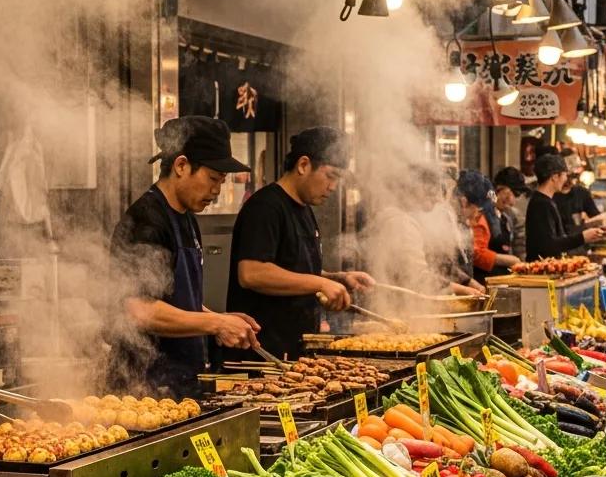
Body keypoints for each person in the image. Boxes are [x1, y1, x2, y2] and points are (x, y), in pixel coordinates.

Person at [107, 116, 260, 395]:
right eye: (213, 178)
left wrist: (220, 320)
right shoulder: (146, 220)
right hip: (142, 388)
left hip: (181, 382)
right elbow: (140, 310)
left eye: (222, 181)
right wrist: (216, 323)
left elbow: (176, 300)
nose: (217, 191)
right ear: (181, 165)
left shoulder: (186, 217)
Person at [226, 127, 373, 361]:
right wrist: (320, 282)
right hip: (262, 355)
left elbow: (296, 269)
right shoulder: (265, 208)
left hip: (296, 352)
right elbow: (252, 273)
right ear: (303, 165)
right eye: (331, 176)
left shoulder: (303, 209)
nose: (333, 187)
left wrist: (337, 278)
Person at [368, 165, 482, 297]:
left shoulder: (416, 218)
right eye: (433, 192)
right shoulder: (400, 223)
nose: (438, 199)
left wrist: (466, 281)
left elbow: (440, 261)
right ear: (416, 190)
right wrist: (461, 290)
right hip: (398, 305)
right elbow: (417, 278)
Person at [525, 154, 606, 261]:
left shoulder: (545, 201)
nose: (566, 179)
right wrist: (582, 237)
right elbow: (549, 246)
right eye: (565, 175)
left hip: (549, 267)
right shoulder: (541, 204)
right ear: (555, 177)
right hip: (541, 272)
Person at [454, 170, 518, 281]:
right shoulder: (447, 222)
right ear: (464, 202)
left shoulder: (465, 221)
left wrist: (469, 284)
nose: (478, 218)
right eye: (479, 211)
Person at [554, 150, 604, 232]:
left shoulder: (581, 192)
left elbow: (596, 217)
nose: (572, 179)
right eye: (569, 175)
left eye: (575, 175)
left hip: (578, 241)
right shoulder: (550, 194)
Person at [493, 166, 528, 259]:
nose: (513, 201)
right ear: (500, 188)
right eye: (515, 193)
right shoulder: (479, 213)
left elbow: (519, 247)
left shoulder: (508, 216)